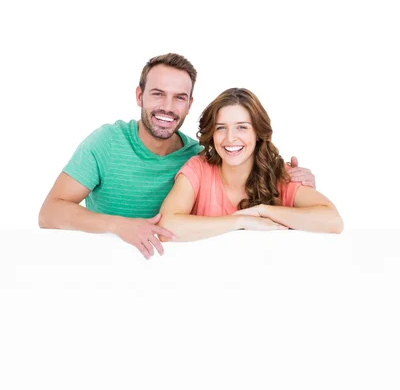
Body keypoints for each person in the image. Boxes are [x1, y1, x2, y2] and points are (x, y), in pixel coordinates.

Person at [39, 54, 316, 258]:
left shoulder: (199, 159)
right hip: (100, 263)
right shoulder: (106, 143)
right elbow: (49, 212)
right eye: (158, 94)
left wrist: (291, 180)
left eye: (179, 98)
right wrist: (117, 224)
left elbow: (245, 170)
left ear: (190, 104)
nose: (168, 107)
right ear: (139, 96)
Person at [159, 88, 343, 242]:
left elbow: (333, 221)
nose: (230, 138)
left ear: (258, 133)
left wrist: (262, 211)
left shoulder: (280, 175)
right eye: (221, 127)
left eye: (242, 127)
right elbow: (166, 228)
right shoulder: (198, 169)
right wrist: (240, 221)